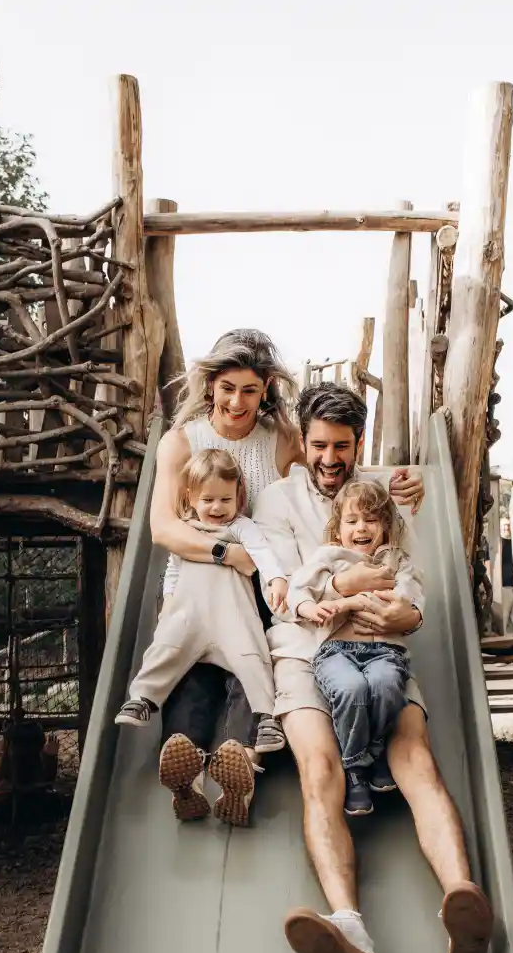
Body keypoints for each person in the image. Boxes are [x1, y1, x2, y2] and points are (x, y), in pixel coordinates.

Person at [254, 382, 493, 953]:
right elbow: (281, 593)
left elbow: (415, 583)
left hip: (382, 650)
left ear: (358, 441)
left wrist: (406, 617)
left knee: (415, 757)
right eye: (318, 446)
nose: (330, 459)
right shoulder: (277, 502)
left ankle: (462, 903)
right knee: (320, 770)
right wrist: (343, 588)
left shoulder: (386, 493)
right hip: (306, 655)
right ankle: (350, 927)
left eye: (341, 445)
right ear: (301, 444)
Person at [148, 330, 424, 822]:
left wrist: (400, 481)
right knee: (195, 670)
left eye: (250, 390)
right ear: (210, 385)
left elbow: (335, 471)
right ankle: (185, 773)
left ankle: (240, 771)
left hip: (263, 585)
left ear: (267, 388)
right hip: (203, 577)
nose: (237, 401)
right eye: (227, 387)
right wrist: (228, 555)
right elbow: (163, 526)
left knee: (247, 667)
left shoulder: (281, 438)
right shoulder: (181, 441)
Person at [115, 449, 289, 825]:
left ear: (238, 497)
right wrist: (169, 607)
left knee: (253, 659)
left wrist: (276, 578)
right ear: (190, 500)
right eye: (207, 500)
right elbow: (174, 571)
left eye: (225, 499)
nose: (216, 507)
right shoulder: (187, 532)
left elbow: (262, 552)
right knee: (168, 652)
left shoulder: (242, 526)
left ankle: (261, 727)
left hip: (232, 616)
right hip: (192, 616)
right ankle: (145, 702)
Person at [287, 479, 424, 816]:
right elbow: (298, 590)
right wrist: (309, 607)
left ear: (386, 526)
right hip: (336, 651)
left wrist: (349, 604)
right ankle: (356, 768)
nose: (361, 528)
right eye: (352, 521)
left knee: (385, 684)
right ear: (338, 529)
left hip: (385, 652)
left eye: (371, 519)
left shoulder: (397, 560)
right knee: (351, 688)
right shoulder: (328, 557)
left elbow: (408, 599)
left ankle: (373, 750)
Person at [500, 517, 513, 635]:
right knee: (503, 618)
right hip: (503, 587)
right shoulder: (495, 544)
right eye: (504, 525)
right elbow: (488, 564)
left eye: (508, 525)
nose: (507, 527)